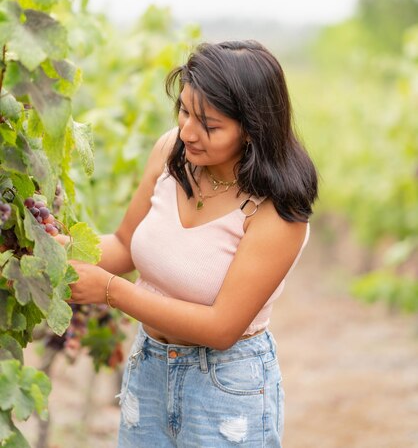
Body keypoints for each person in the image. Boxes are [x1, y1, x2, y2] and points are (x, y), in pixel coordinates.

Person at [66, 40, 318, 447]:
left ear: (253, 128)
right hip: (148, 369)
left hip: (225, 388)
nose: (187, 131)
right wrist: (56, 248)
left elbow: (221, 328)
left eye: (209, 125)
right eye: (184, 110)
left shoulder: (277, 209)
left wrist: (110, 291)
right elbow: (124, 245)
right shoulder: (172, 153)